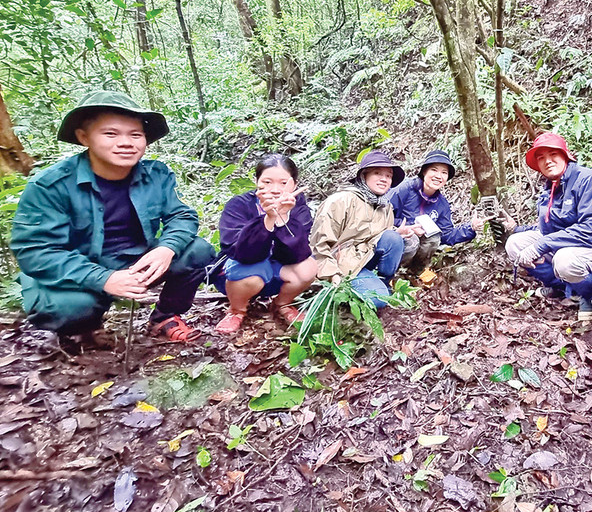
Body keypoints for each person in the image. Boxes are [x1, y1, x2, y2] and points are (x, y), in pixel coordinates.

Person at [10, 90, 216, 342]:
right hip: (80, 269)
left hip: (137, 261)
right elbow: (35, 250)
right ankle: (85, 328)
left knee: (198, 250)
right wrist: (103, 278)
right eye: (111, 134)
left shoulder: (157, 175)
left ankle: (164, 317)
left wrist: (166, 249)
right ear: (84, 137)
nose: (126, 143)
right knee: (66, 309)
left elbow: (182, 216)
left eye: (135, 135)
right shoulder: (51, 185)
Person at [503, 133, 592, 320]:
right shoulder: (550, 186)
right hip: (561, 244)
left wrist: (541, 246)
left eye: (553, 155)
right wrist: (517, 228)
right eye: (541, 158)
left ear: (566, 155)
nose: (547, 161)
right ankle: (561, 287)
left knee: (564, 260)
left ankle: (591, 294)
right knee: (514, 244)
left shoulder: (586, 180)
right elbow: (546, 229)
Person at [214, 155, 318, 334]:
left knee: (308, 267)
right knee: (255, 270)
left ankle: (282, 304)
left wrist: (283, 217)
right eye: (267, 182)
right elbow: (241, 253)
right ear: (257, 182)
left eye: (283, 183)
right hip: (240, 274)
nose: (276, 190)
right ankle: (236, 310)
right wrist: (268, 219)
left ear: (294, 184)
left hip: (277, 272)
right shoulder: (238, 205)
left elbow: (298, 254)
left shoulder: (299, 207)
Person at [310, 151, 406, 308]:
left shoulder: (384, 205)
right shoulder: (341, 201)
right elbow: (318, 244)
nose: (384, 179)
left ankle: (383, 283)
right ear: (364, 175)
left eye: (388, 176)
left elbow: (379, 237)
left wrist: (398, 234)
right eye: (377, 173)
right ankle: (358, 290)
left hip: (363, 258)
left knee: (394, 238)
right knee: (379, 299)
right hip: (341, 265)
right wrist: (332, 274)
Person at [389, 150, 485, 275]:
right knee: (412, 240)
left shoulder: (442, 204)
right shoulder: (405, 188)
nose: (438, 176)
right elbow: (382, 215)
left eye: (444, 173)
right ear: (424, 172)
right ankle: (390, 273)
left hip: (416, 245)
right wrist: (408, 227)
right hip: (394, 235)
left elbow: (446, 235)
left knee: (434, 238)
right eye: (434, 170)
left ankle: (415, 273)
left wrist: (471, 227)